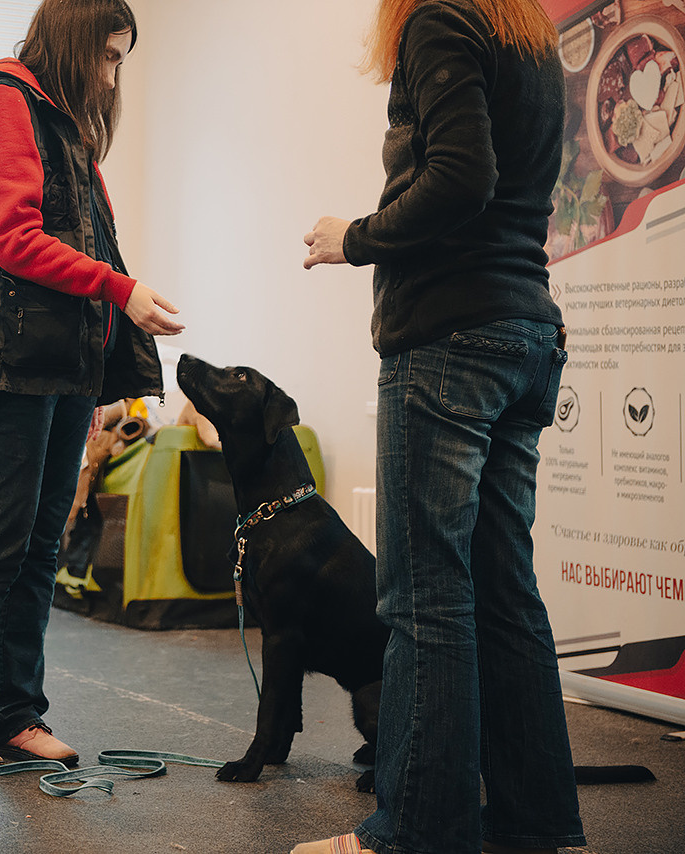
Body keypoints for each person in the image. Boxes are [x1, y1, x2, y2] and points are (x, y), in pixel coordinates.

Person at [299, 1, 585, 852]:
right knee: (503, 593)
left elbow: (461, 177)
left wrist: (354, 238)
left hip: (452, 341)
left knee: (426, 598)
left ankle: (412, 834)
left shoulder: (436, 19)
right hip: (527, 334)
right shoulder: (527, 37)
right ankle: (536, 826)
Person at [0, 0, 184, 772]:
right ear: (72, 41)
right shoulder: (2, 104)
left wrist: (100, 378)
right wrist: (121, 289)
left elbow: (76, 250)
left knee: (36, 551)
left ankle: (16, 716)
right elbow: (14, 239)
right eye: (108, 56)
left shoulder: (59, 122)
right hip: (9, 363)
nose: (112, 73)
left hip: (61, 368)